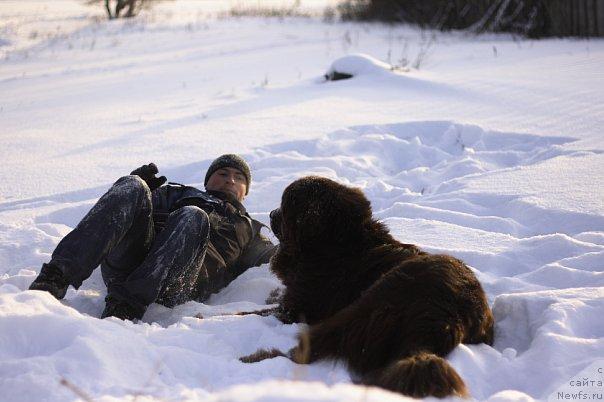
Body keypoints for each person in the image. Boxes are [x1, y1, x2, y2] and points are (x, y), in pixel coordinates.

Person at [28, 154, 276, 321]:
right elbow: (121, 213)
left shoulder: (250, 228)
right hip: (128, 260)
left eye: (239, 177)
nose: (230, 179)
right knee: (133, 185)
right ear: (208, 179)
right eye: (223, 173)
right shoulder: (175, 193)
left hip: (175, 282)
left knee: (193, 216)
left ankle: (125, 306)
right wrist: (128, 185)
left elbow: (278, 257)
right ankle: (55, 277)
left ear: (246, 191)